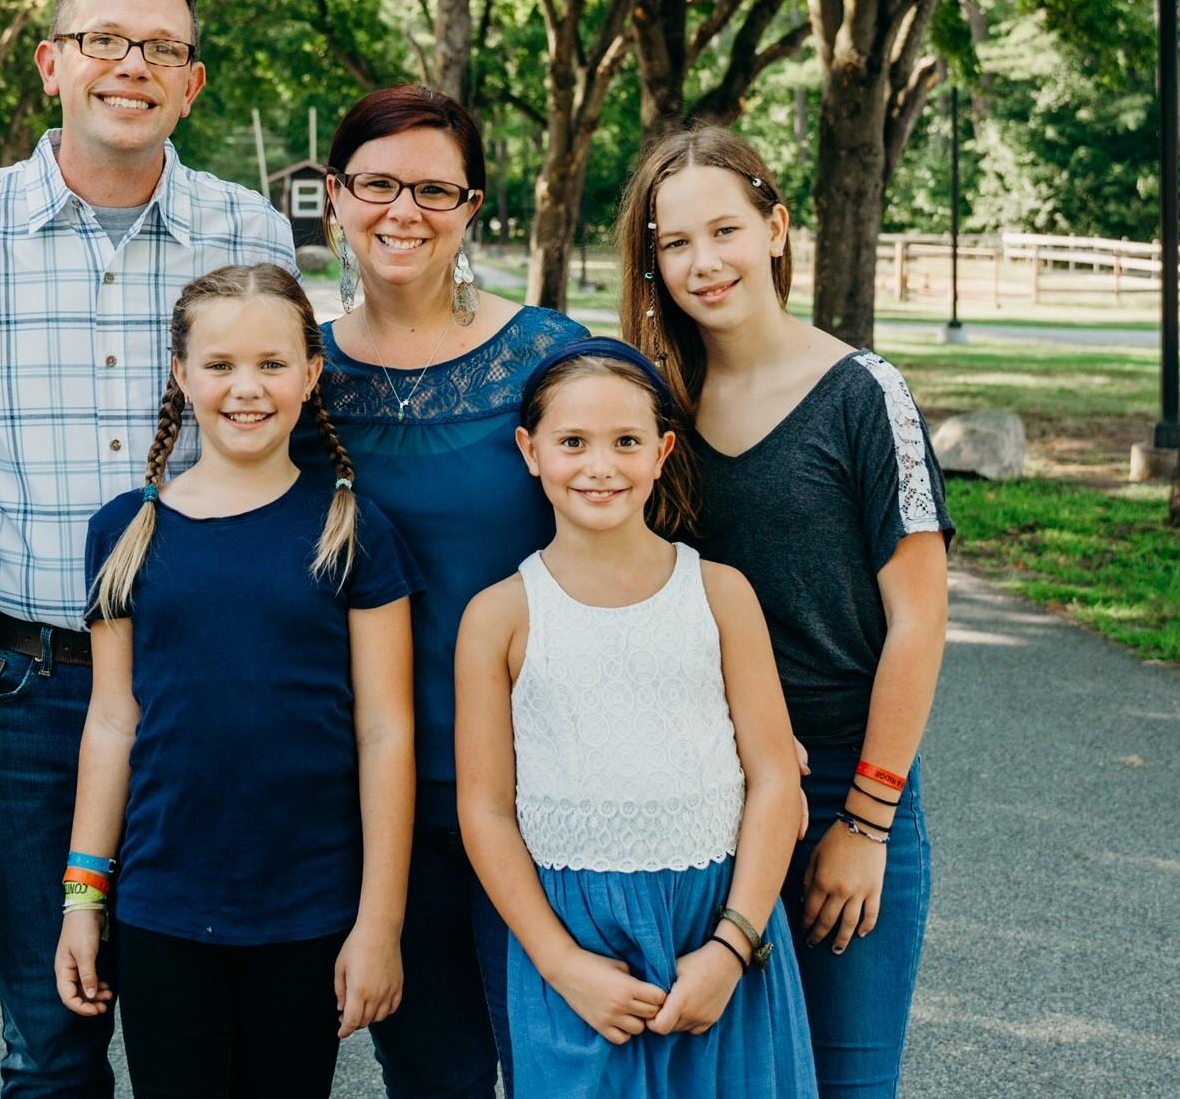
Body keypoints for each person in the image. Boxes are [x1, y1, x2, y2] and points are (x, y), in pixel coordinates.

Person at [0, 0, 297, 1098]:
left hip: (206, 684)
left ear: (193, 83)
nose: (133, 65)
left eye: (163, 48)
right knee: (51, 1032)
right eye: (104, 40)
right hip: (23, 684)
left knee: (219, 1023)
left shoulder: (253, 236)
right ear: (52, 65)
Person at [619, 124, 952, 1098]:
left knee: (848, 1085)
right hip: (700, 797)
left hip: (849, 791)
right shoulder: (652, 403)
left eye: (723, 229)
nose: (702, 261)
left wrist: (868, 821)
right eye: (674, 243)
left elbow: (920, 621)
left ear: (776, 227)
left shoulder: (862, 394)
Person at [53, 263, 419, 1098]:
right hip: (161, 908)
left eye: (271, 363)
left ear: (311, 373)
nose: (245, 389)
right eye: (218, 365)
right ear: (181, 374)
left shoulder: (351, 527)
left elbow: (386, 729)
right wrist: (83, 897)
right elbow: (112, 724)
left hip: (308, 909)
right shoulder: (126, 530)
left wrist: (380, 923)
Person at [306, 85, 585, 1097]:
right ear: (336, 195)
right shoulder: (298, 377)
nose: (402, 211)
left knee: (564, 1062)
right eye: (376, 183)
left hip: (547, 783)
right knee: (434, 1073)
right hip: (376, 799)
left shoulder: (554, 358)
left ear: (471, 206)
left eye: (433, 187)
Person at [455, 338, 816, 1098]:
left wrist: (732, 946)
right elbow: (485, 809)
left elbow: (775, 776)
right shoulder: (500, 617)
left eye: (626, 442)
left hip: (718, 927)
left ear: (663, 451)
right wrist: (563, 966)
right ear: (530, 450)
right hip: (579, 952)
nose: (600, 466)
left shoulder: (720, 595)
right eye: (573, 442)